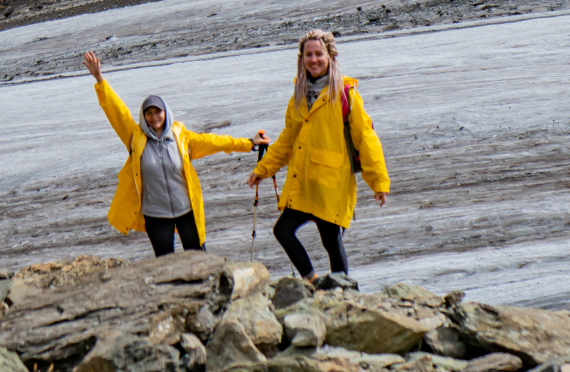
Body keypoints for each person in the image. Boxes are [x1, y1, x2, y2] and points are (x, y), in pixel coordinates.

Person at [83, 50, 268, 256]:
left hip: (186, 211)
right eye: (149, 113)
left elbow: (216, 142)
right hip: (156, 215)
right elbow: (117, 112)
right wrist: (99, 78)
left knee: (199, 260)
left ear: (166, 113)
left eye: (158, 112)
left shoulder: (182, 138)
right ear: (144, 116)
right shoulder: (135, 138)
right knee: (166, 264)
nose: (154, 117)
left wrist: (250, 143)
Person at [249, 28, 388, 282]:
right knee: (283, 231)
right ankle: (313, 282)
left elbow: (366, 139)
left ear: (330, 56)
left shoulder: (347, 95)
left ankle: (343, 291)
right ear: (301, 58)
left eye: (319, 54)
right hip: (303, 183)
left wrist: (378, 183)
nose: (313, 60)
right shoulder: (298, 96)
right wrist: (264, 169)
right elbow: (288, 139)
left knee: (331, 240)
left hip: (331, 184)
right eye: (308, 55)